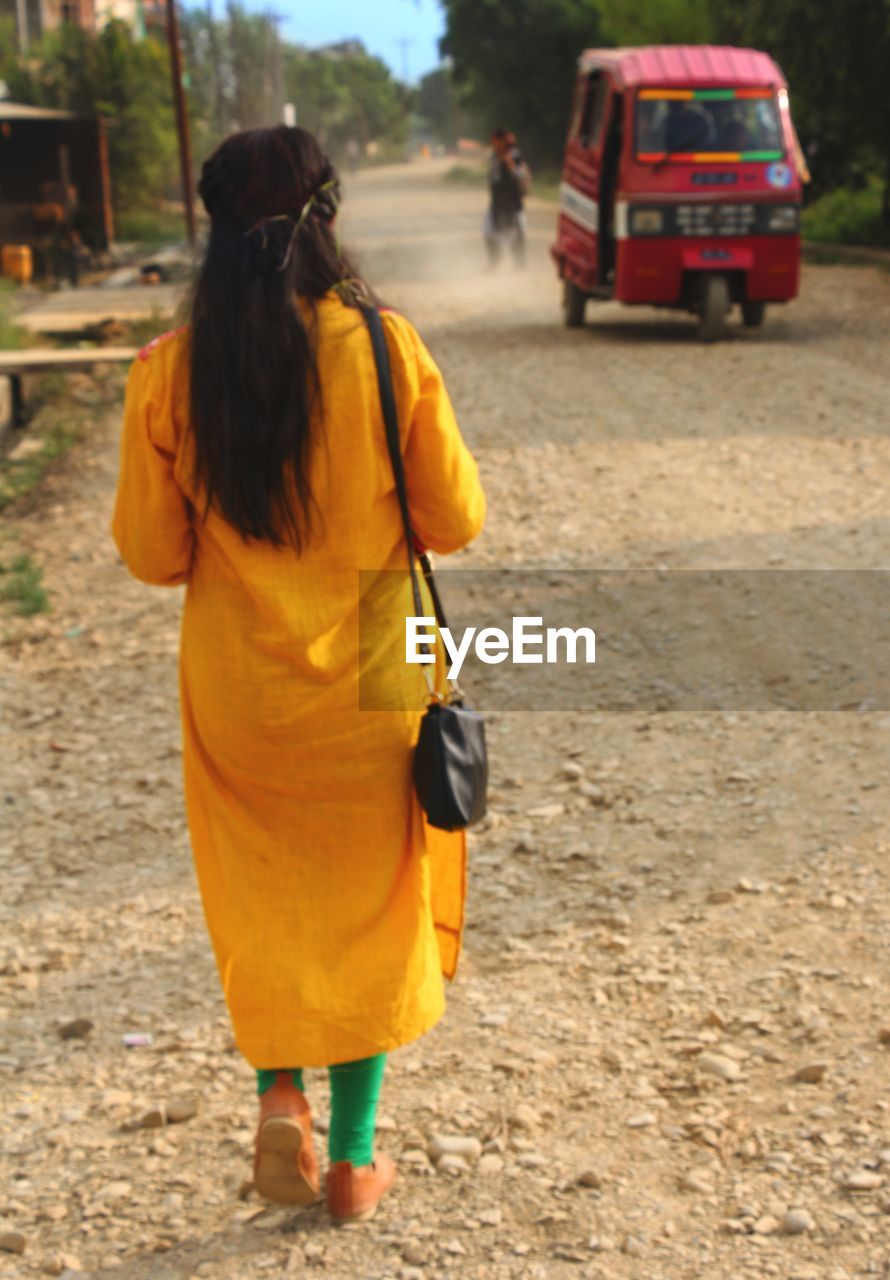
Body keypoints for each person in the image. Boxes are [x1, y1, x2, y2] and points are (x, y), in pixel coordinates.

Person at [111, 126, 485, 1223]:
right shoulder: (382, 346)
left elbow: (152, 554)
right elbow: (454, 519)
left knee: (264, 896)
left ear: (216, 233)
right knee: (369, 896)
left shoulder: (167, 373)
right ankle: (356, 1155)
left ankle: (280, 1093)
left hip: (237, 681)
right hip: (373, 654)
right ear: (326, 219)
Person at [485, 127, 530, 268]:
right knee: (490, 232)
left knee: (516, 233)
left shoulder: (515, 157)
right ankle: (494, 263)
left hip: (513, 202)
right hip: (497, 202)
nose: (494, 144)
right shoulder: (493, 157)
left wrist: (510, 164)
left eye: (497, 141)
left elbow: (520, 176)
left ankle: (520, 263)